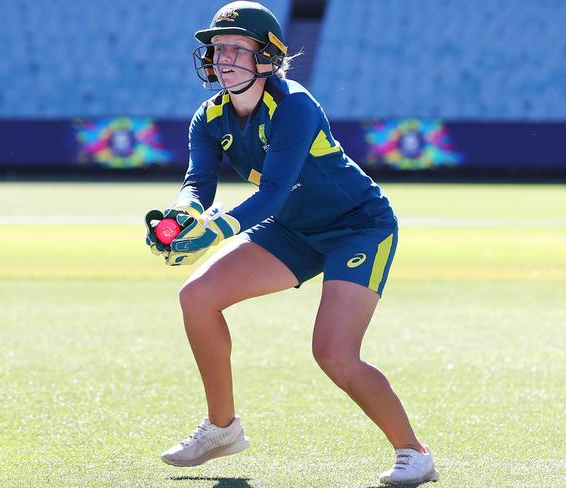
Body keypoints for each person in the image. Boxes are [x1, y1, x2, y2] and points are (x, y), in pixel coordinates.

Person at [144, 1, 439, 485]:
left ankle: (414, 453)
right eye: (218, 49)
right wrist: (182, 218)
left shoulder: (295, 105)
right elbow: (198, 182)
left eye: (237, 49)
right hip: (291, 229)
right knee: (196, 297)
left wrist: (213, 232)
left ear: (267, 57)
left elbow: (273, 192)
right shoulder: (209, 115)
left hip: (357, 226)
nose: (223, 59)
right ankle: (222, 428)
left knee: (334, 354)